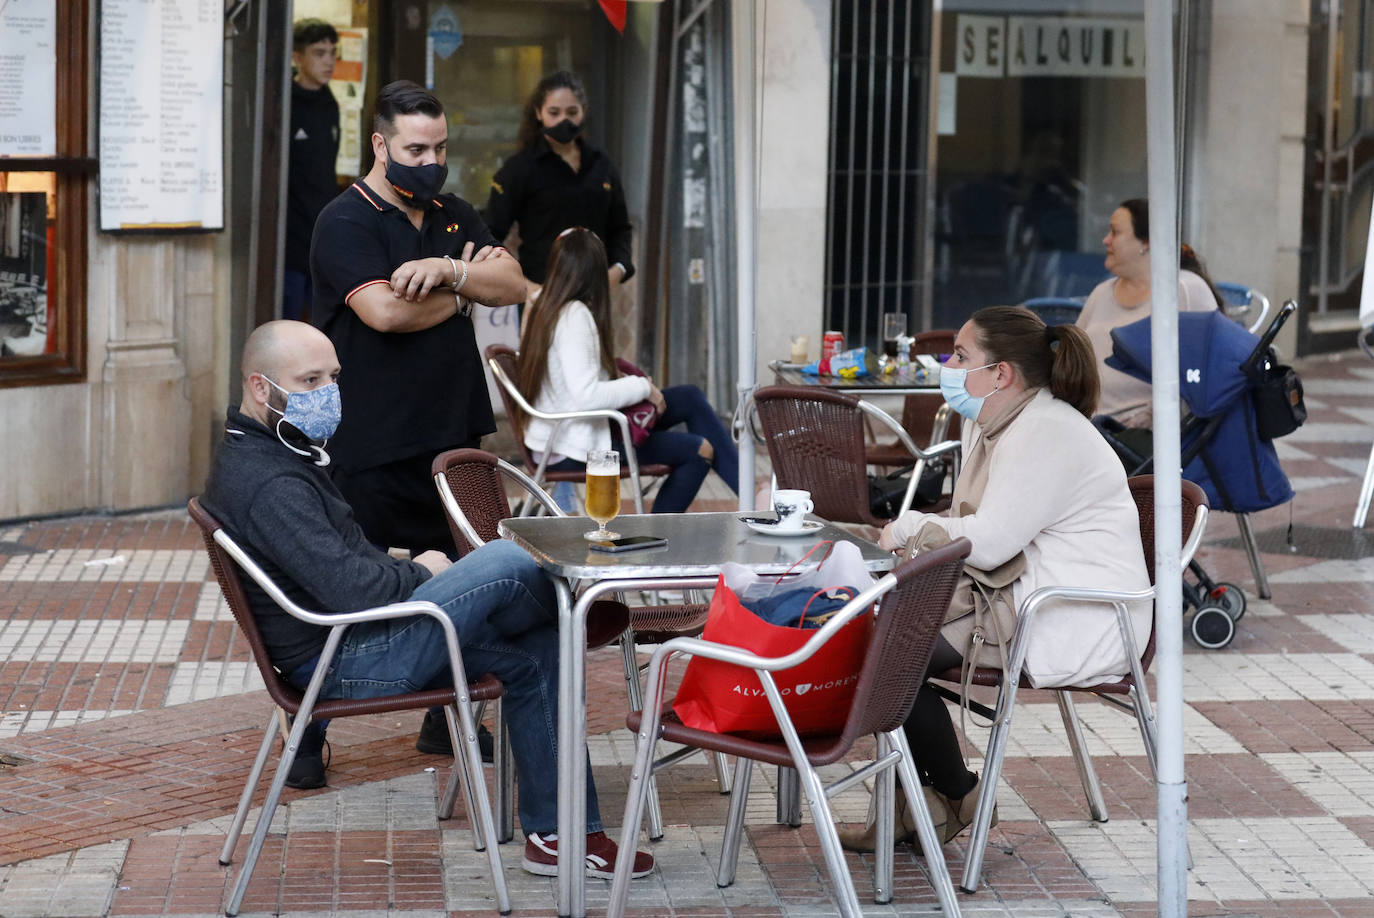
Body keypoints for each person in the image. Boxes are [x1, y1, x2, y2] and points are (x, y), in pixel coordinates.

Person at [199, 320, 654, 880]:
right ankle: (573, 607)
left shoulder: (273, 450)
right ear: (260, 387)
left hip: (360, 636)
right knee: (508, 561)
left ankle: (560, 835)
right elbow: (349, 591)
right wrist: (420, 570)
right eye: (309, 380)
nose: (327, 394)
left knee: (542, 646)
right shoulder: (271, 480)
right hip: (342, 659)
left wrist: (403, 570)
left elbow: (348, 565)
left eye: (333, 378)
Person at [839, 306, 1150, 853]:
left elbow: (994, 539)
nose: (949, 366)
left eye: (961, 356)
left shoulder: (1047, 429)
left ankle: (955, 798)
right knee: (884, 646)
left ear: (1001, 373)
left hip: (1076, 612)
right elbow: (977, 532)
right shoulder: (993, 422)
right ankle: (936, 802)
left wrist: (911, 525)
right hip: (1017, 590)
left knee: (889, 657)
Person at [310, 80, 526, 558]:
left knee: (482, 581)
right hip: (374, 447)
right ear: (380, 146)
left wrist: (447, 269)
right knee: (379, 599)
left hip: (455, 438)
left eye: (440, 147)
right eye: (416, 149)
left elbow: (512, 284)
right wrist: (466, 292)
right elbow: (385, 312)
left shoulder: (454, 214)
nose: (432, 162)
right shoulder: (345, 221)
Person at [514, 227, 739, 513]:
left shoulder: (543, 305)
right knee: (699, 451)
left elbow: (576, 381)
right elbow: (586, 396)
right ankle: (655, 541)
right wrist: (643, 387)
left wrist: (634, 384)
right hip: (576, 446)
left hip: (564, 435)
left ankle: (750, 500)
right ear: (595, 273)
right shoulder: (574, 317)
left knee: (690, 397)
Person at [1076, 198, 1221, 437]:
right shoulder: (1102, 292)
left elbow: (1209, 369)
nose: (1106, 240)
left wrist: (1154, 415)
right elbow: (1070, 357)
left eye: (1115, 232)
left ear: (1146, 242)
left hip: (1142, 437)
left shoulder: (1184, 289)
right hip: (1087, 426)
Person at [485, 71, 633, 297]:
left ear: (584, 113)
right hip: (540, 296)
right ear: (538, 113)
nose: (564, 120)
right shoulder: (519, 169)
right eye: (554, 112)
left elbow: (620, 228)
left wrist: (617, 271)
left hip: (594, 296)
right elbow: (490, 233)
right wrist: (526, 286)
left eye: (572, 112)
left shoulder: (602, 165)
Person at [283, 19, 341, 322]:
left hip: (321, 241)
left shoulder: (330, 103)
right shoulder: (284, 103)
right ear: (297, 57)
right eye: (319, 53)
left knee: (324, 325)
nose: (329, 61)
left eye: (333, 53)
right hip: (289, 242)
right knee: (289, 324)